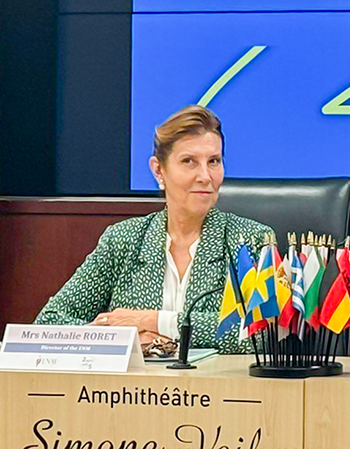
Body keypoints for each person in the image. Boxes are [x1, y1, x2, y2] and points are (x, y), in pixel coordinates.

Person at [35, 106, 273, 353]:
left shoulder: (250, 241)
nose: (205, 176)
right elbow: (49, 321)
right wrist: (113, 335)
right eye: (189, 161)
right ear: (159, 170)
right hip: (135, 380)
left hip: (217, 379)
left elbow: (264, 332)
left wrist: (155, 321)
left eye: (213, 161)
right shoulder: (123, 240)